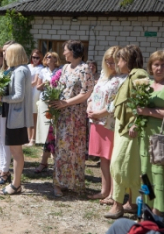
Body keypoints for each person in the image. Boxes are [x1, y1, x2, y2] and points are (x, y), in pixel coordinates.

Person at [105, 45, 149, 219]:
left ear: (129, 60)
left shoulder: (139, 75)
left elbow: (143, 102)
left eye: (121, 59)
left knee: (118, 165)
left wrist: (136, 124)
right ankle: (131, 202)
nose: (118, 62)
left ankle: (117, 205)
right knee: (130, 166)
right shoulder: (130, 75)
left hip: (130, 128)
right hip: (123, 127)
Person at [51, 40, 94, 196]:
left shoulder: (84, 69)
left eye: (65, 50)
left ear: (74, 51)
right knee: (62, 148)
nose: (63, 53)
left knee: (75, 149)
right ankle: (59, 183)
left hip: (76, 116)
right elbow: (59, 88)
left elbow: (87, 92)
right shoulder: (65, 68)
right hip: (63, 114)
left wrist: (66, 103)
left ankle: (74, 183)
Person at [0, 43, 33, 195]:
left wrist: (0, 98)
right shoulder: (18, 69)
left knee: (16, 152)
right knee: (15, 151)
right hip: (14, 116)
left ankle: (16, 184)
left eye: (6, 52)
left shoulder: (20, 71)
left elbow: (18, 96)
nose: (4, 55)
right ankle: (15, 182)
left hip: (16, 117)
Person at [86, 46, 126, 204]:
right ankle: (104, 191)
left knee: (112, 159)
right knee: (103, 158)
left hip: (109, 122)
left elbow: (115, 104)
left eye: (113, 62)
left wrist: (99, 113)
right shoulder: (103, 76)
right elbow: (94, 94)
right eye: (107, 62)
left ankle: (113, 194)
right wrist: (89, 106)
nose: (110, 65)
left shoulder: (123, 79)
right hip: (96, 121)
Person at [137, 50, 164, 216]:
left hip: (162, 137)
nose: (159, 68)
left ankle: (160, 212)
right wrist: (134, 124)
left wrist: (149, 112)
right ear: (150, 67)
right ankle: (147, 209)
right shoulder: (146, 84)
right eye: (156, 64)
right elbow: (138, 109)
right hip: (145, 137)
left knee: (160, 175)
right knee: (146, 173)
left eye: (163, 64)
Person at [34, 51, 61, 173]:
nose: (48, 59)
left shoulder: (60, 71)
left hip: (55, 103)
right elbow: (38, 87)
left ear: (56, 59)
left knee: (53, 132)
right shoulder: (42, 71)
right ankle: (44, 162)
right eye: (47, 57)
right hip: (44, 101)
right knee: (47, 132)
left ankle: (54, 163)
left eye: (51, 57)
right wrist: (45, 84)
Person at [0, 40, 15, 184]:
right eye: (3, 51)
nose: (3, 54)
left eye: (6, 51)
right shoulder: (2, 70)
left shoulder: (12, 71)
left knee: (5, 140)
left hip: (7, 109)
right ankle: (2, 169)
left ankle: (6, 171)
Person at [25, 49, 44, 147]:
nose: (35, 59)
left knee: (33, 115)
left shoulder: (40, 68)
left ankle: (33, 138)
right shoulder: (28, 66)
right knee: (28, 115)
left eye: (37, 57)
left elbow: (35, 82)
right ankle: (28, 138)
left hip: (34, 93)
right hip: (27, 92)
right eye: (34, 57)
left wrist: (24, 85)